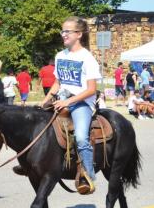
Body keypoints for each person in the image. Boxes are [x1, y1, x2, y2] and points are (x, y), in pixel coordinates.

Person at [42, 16, 101, 194]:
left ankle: (88, 175)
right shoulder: (60, 55)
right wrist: (45, 100)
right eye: (63, 31)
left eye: (67, 31)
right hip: (60, 100)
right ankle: (36, 164)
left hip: (81, 104)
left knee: (81, 137)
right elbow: (57, 83)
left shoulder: (87, 58)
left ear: (79, 34)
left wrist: (68, 101)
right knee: (35, 125)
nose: (64, 34)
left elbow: (91, 90)